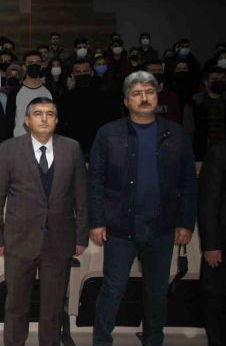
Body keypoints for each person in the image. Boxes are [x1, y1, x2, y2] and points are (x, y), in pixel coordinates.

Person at [89, 71, 198, 346]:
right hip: (119, 226)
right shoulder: (109, 133)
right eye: (136, 94)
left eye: (149, 92)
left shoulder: (176, 134)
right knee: (113, 288)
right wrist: (97, 221)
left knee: (157, 291)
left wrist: (185, 222)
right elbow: (96, 180)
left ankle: (153, 340)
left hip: (162, 227)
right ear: (127, 101)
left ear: (157, 96)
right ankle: (101, 340)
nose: (144, 98)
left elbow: (188, 181)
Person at [0, 97, 88, 346]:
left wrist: (81, 236)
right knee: (16, 305)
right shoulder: (8, 149)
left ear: (56, 120)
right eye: (38, 113)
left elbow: (82, 197)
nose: (44, 118)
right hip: (20, 240)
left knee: (53, 307)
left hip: (60, 240)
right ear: (26, 120)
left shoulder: (72, 148)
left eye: (49, 114)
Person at [57, 60, 122, 158]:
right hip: (75, 150)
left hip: (102, 147)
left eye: (85, 71)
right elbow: (61, 125)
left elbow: (114, 121)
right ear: (72, 74)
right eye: (78, 72)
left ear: (91, 72)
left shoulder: (106, 96)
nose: (82, 74)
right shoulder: (65, 98)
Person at [198, 141, 226, 346]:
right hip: (221, 243)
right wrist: (211, 244)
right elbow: (209, 199)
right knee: (217, 300)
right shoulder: (220, 150)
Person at [6, 51, 53, 137]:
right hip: (20, 140)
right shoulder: (15, 92)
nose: (34, 65)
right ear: (24, 66)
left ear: (41, 66)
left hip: (44, 139)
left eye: (37, 62)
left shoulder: (50, 91)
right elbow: (9, 121)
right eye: (30, 63)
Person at [183, 67, 226, 161]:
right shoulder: (194, 104)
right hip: (203, 154)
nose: (219, 82)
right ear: (206, 82)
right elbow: (188, 132)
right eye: (214, 79)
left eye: (222, 78)